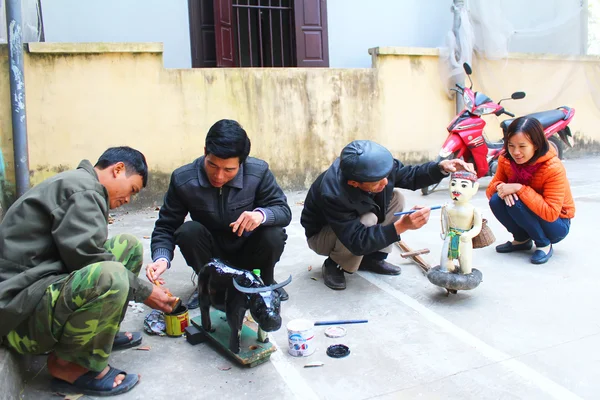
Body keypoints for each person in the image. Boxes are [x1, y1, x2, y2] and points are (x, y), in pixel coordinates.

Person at [0, 147, 178, 397]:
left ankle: (99, 335)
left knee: (128, 246)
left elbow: (83, 253)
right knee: (111, 276)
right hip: (20, 315)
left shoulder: (80, 184)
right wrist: (148, 292)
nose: (128, 199)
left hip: (37, 289)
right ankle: (69, 365)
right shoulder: (83, 190)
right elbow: (87, 258)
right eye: (132, 190)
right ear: (117, 169)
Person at [148, 119, 292, 307]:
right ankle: (208, 286)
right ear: (205, 152)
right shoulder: (183, 179)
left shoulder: (258, 172)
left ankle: (264, 282)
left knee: (273, 233)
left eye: (229, 169)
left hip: (248, 249)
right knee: (188, 231)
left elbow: (283, 211)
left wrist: (260, 215)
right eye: (212, 165)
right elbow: (166, 226)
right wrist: (161, 258)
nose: (219, 176)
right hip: (210, 254)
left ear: (242, 163)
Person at [301, 139, 474, 290]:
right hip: (323, 236)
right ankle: (335, 264)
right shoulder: (333, 193)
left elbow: (409, 175)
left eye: (386, 176)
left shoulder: (379, 167)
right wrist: (401, 226)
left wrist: (440, 169)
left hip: (355, 221)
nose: (385, 181)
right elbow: (356, 240)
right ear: (354, 183)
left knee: (396, 197)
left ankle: (373, 259)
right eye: (377, 182)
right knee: (369, 219)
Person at [486, 117, 575, 264]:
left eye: (522, 146)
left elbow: (551, 212)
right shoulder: (506, 160)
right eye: (511, 145)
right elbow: (491, 190)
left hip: (557, 224)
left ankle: (544, 244)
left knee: (515, 201)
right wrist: (501, 187)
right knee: (497, 199)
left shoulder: (552, 167)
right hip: (528, 210)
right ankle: (522, 239)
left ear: (535, 145)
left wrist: (519, 188)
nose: (516, 152)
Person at [441, 170, 482, 275]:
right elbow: (444, 221)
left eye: (463, 186)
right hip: (450, 236)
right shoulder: (447, 207)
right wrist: (444, 232)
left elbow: (477, 227)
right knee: (445, 265)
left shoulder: (474, 210)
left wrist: (469, 234)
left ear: (474, 188)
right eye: (453, 184)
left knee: (466, 266)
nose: (456, 189)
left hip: (464, 239)